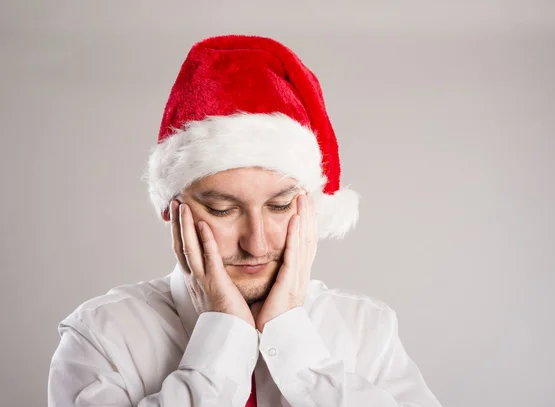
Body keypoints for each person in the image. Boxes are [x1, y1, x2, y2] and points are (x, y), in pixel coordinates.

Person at [48, 35, 442, 407]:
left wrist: (293, 343)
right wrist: (223, 336)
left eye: (280, 206)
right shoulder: (102, 336)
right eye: (222, 209)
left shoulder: (365, 329)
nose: (256, 243)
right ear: (171, 209)